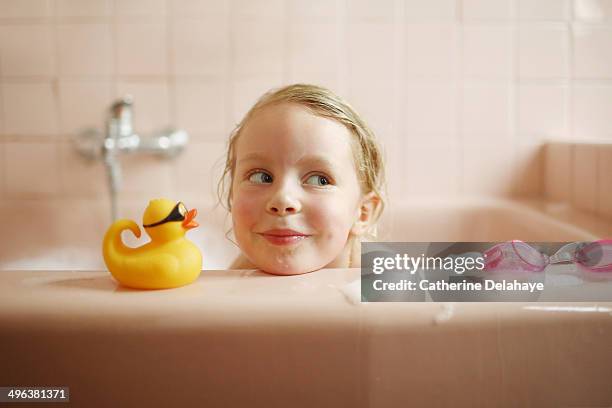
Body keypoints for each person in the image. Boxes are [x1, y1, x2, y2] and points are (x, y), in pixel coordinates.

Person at [217, 84, 386, 275]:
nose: (282, 199)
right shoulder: (241, 273)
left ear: (363, 213)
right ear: (232, 195)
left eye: (319, 180)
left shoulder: (388, 278)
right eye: (261, 177)